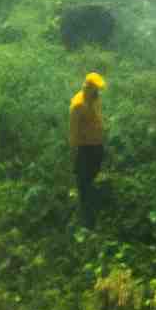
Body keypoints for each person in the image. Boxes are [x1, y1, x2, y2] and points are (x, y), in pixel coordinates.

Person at [68, 68, 108, 211]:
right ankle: (84, 209)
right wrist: (74, 152)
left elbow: (97, 116)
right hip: (85, 148)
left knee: (95, 174)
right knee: (84, 180)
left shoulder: (94, 98)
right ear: (89, 88)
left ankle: (92, 202)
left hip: (97, 144)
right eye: (96, 89)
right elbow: (73, 132)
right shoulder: (78, 105)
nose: (99, 92)